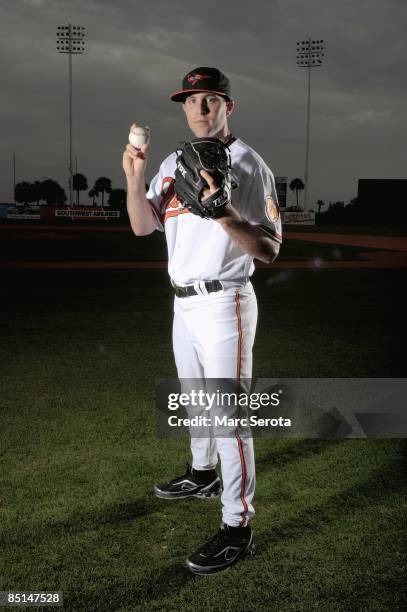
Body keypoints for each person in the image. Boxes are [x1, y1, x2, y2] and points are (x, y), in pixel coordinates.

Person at [122, 67, 282, 575]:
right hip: (182, 304)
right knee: (194, 400)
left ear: (227, 106)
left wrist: (223, 213)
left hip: (225, 304)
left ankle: (237, 526)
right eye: (191, 101)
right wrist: (134, 178)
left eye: (210, 100)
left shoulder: (251, 167)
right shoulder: (171, 162)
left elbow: (271, 249)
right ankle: (202, 471)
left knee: (230, 417)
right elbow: (142, 225)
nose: (199, 110)